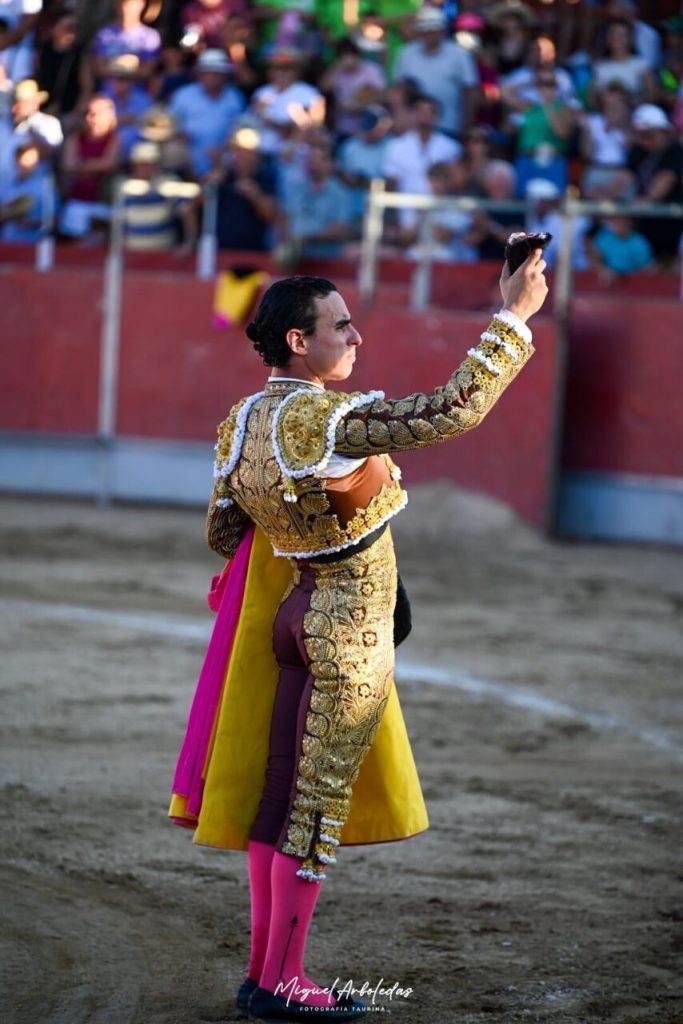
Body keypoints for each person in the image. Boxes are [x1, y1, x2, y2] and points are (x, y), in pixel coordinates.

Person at [169, 256, 548, 1022]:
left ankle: (262, 974)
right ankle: (285, 981)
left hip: (289, 619)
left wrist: (303, 524)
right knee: (310, 814)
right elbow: (451, 409)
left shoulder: (242, 421)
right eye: (342, 324)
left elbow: (223, 530)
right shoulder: (332, 421)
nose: (357, 335)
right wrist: (512, 319)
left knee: (279, 804)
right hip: (345, 633)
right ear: (300, 341)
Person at [393, 4, 479, 138]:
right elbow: (399, 90)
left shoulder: (459, 53)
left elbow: (469, 91)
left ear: (442, 30)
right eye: (425, 30)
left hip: (449, 126)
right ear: (420, 31)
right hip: (413, 126)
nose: (429, 34)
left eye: (433, 29)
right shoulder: (406, 52)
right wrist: (400, 120)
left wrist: (466, 126)